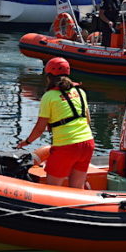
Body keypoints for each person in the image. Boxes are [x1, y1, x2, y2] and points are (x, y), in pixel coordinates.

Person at [16, 57, 94, 189]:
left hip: (66, 145)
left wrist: (27, 142)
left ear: (49, 77)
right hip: (88, 143)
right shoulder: (80, 92)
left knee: (53, 188)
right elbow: (87, 120)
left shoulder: (49, 96)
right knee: (77, 187)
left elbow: (40, 128)